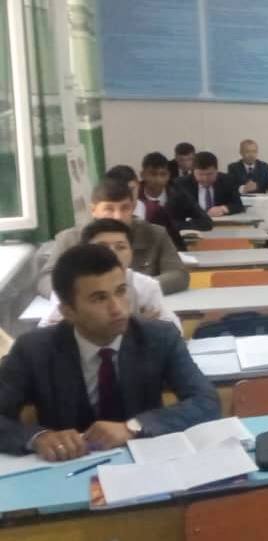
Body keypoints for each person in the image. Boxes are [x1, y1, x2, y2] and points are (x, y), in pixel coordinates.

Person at [1, 244, 220, 459]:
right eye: (99, 298)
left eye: (121, 291)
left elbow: (206, 401)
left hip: (143, 460)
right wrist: (38, 437)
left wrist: (133, 427)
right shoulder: (33, 349)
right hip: (66, 464)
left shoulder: (159, 337)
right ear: (68, 311)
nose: (117, 308)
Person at [38, 177, 188, 297]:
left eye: (125, 208)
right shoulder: (70, 239)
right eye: (109, 209)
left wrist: (131, 290)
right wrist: (84, 293)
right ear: (93, 210)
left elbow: (179, 275)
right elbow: (46, 278)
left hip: (143, 308)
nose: (118, 216)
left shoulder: (155, 234)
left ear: (133, 208)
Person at [39, 219, 181, 332]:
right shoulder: (69, 285)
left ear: (131, 252)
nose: (113, 253)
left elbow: (174, 329)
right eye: (102, 246)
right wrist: (137, 324)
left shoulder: (147, 286)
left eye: (121, 247)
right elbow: (45, 331)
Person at [139, 152, 212, 250]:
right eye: (153, 174)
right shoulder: (135, 195)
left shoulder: (178, 193)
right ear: (143, 175)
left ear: (169, 175)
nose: (158, 179)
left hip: (174, 248)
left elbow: (206, 222)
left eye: (163, 174)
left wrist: (173, 225)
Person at [175, 151, 245, 217]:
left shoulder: (228, 180)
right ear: (193, 172)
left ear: (216, 171)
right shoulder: (181, 184)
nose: (205, 178)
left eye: (209, 174)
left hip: (221, 222)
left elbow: (238, 205)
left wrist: (223, 208)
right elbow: (175, 208)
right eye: (200, 174)